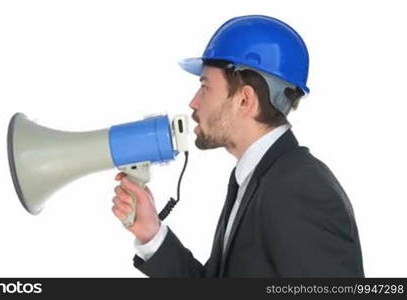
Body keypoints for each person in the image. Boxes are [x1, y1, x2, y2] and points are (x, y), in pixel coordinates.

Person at [111, 15, 364, 277]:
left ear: (245, 100)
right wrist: (151, 233)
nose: (193, 103)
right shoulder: (257, 179)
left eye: (205, 87)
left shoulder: (299, 188)